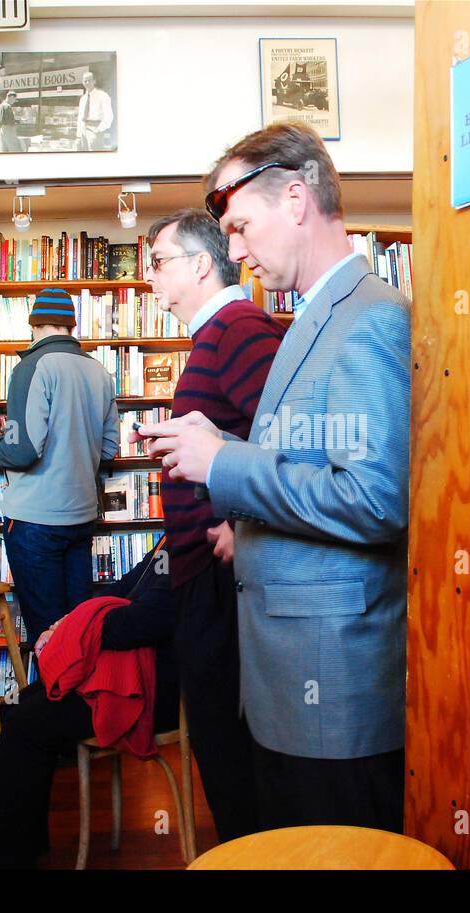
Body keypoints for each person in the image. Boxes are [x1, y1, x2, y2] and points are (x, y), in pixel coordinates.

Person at [139, 122, 411, 832]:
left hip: (336, 686)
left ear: (296, 199)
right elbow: (311, 459)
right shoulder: (311, 318)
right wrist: (223, 440)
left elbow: (377, 498)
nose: (234, 252)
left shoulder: (369, 318)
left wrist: (223, 463)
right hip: (291, 672)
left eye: (239, 227)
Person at [143, 208, 283, 841]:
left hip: (222, 577)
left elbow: (289, 445)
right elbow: (242, 434)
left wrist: (243, 519)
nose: (149, 277)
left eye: (159, 261)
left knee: (229, 744)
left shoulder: (241, 329)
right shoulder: (216, 334)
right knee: (220, 742)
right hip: (202, 573)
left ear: (200, 265)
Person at [0, 543, 178, 869]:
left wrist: (73, 632)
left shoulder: (194, 542)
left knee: (27, 721)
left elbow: (145, 621)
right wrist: (68, 622)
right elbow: (126, 586)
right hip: (133, 676)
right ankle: (23, 846)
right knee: (29, 703)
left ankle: (3, 861)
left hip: (153, 693)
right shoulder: (174, 537)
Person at [0, 289, 119, 646]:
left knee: (48, 639)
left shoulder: (30, 367)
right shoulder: (99, 371)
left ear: (33, 325)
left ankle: (52, 702)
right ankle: (84, 703)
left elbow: (22, 452)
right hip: (81, 518)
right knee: (80, 634)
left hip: (36, 520)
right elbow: (108, 449)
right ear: (71, 324)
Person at [75, 70, 113, 150]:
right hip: (83, 131)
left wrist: (98, 130)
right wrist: (78, 135)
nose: (87, 83)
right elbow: (80, 117)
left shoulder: (103, 96)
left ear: (94, 81)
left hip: (95, 130)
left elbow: (109, 116)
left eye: (89, 80)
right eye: (85, 81)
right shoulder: (83, 99)